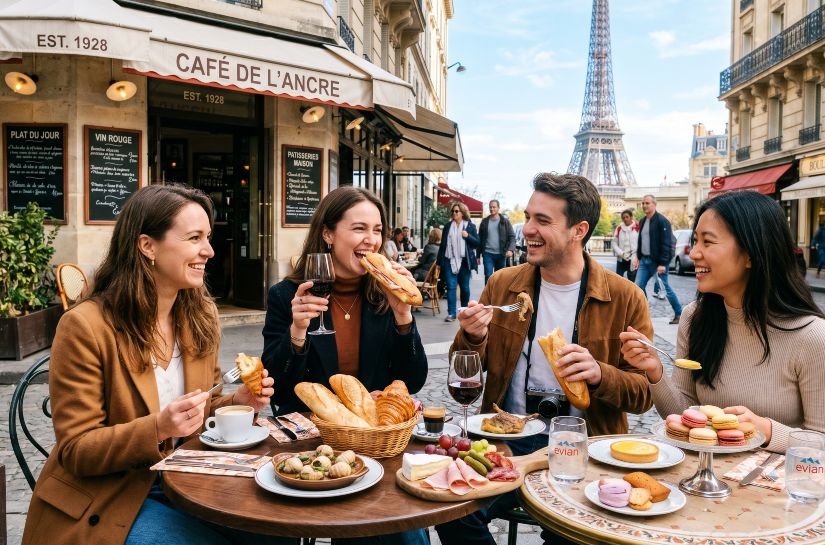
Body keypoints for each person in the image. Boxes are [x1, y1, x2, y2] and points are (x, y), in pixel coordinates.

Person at [22, 185, 279, 545]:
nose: (209, 250)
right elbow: (77, 450)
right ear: (147, 246)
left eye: (207, 237)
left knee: (276, 532)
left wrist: (237, 403)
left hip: (189, 478)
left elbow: (202, 408)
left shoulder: (200, 315)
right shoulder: (86, 326)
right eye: (194, 238)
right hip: (113, 493)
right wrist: (157, 428)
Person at [436, 173, 654, 545]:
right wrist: (473, 336)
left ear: (578, 230)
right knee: (452, 508)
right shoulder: (502, 285)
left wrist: (600, 374)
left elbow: (643, 394)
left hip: (584, 448)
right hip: (509, 440)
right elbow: (463, 369)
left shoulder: (625, 297)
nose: (527, 230)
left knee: (571, 535)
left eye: (542, 220)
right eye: (528, 217)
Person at [261, 187, 428, 545]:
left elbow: (412, 381)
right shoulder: (286, 295)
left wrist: (403, 316)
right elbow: (277, 387)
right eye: (359, 228)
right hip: (310, 446)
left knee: (403, 533)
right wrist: (297, 332)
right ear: (328, 234)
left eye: (377, 230)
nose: (372, 239)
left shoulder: (385, 293)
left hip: (374, 442)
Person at [620, 191, 825, 453]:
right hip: (707, 476)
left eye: (708, 242)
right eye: (695, 241)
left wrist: (766, 430)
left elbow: (821, 441)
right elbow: (684, 416)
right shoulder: (695, 318)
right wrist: (655, 370)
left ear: (751, 254)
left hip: (778, 479)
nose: (694, 253)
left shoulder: (812, 337)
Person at [634, 194, 683, 324]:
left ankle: (679, 313)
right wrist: (638, 257)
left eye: (647, 203)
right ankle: (642, 315)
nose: (644, 205)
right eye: (643, 203)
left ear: (654, 204)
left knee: (665, 289)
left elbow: (666, 243)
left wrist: (662, 263)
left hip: (658, 263)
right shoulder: (642, 221)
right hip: (644, 261)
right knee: (637, 288)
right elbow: (641, 241)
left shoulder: (662, 221)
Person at [437, 201, 479, 322]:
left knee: (465, 288)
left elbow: (477, 243)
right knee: (451, 287)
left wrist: (467, 236)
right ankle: (451, 314)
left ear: (462, 213)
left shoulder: (470, 226)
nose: (454, 213)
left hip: (464, 262)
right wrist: (439, 262)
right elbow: (443, 245)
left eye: (456, 211)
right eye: (453, 211)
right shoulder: (447, 226)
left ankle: (464, 311)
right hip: (449, 260)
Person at [478, 199, 516, 284]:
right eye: (490, 207)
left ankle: (498, 292)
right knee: (488, 275)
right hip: (487, 254)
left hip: (501, 254)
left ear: (498, 208)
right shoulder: (484, 222)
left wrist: (510, 249)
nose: (492, 209)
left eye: (494, 207)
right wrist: (477, 255)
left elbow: (512, 237)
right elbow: (479, 238)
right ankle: (488, 292)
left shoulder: (505, 222)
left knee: (500, 277)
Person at [613, 208, 639, 282]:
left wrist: (637, 257)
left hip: (633, 259)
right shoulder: (619, 228)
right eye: (623, 217)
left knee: (632, 281)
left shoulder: (637, 227)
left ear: (631, 217)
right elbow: (614, 243)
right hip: (621, 258)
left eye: (627, 217)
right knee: (618, 280)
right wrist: (621, 253)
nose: (625, 219)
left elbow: (641, 243)